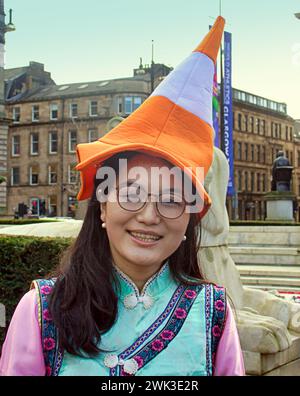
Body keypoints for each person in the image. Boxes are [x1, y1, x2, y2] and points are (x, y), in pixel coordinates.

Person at [0, 16, 245, 376]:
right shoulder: (41, 310)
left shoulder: (215, 314)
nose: (149, 215)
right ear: (101, 207)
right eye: (132, 194)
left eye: (172, 200)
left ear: (191, 218)